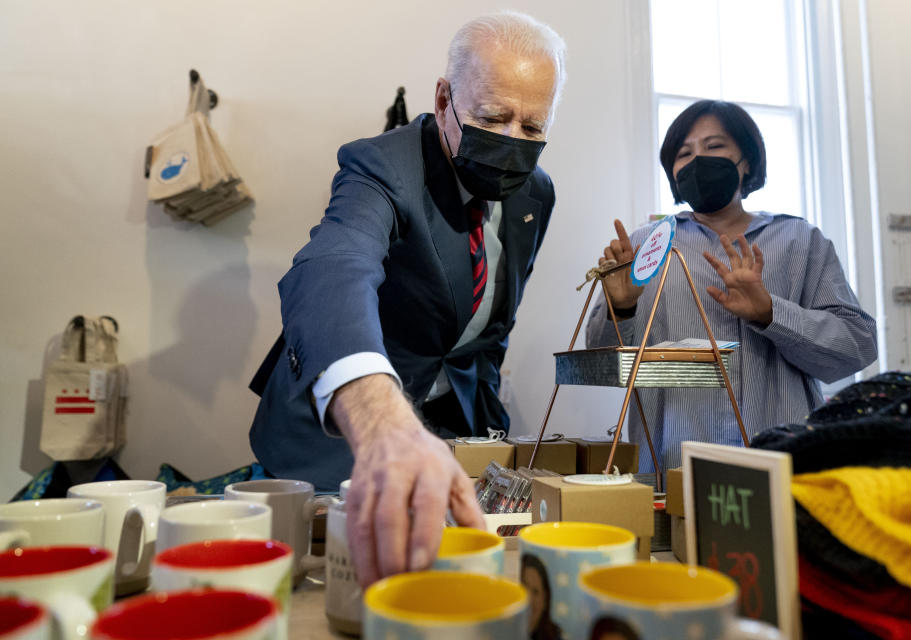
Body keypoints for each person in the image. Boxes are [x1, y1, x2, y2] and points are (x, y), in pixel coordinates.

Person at [248, 11, 566, 587]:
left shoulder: (535, 193)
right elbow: (333, 268)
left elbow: (489, 324)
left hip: (448, 433)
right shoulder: (382, 165)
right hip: (341, 433)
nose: (513, 141)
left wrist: (488, 437)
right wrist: (381, 421)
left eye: (534, 127)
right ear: (444, 99)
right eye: (493, 117)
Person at [585, 99, 878, 473]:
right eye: (684, 153)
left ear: (748, 162)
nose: (697, 161)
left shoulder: (799, 240)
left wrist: (771, 313)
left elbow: (856, 347)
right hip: (671, 465)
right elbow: (601, 365)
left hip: (785, 464)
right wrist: (621, 309)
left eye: (715, 146)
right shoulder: (645, 247)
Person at [521, 553, 562, 640]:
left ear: (545, 599)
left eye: (535, 592)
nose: (529, 599)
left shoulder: (556, 636)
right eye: (523, 588)